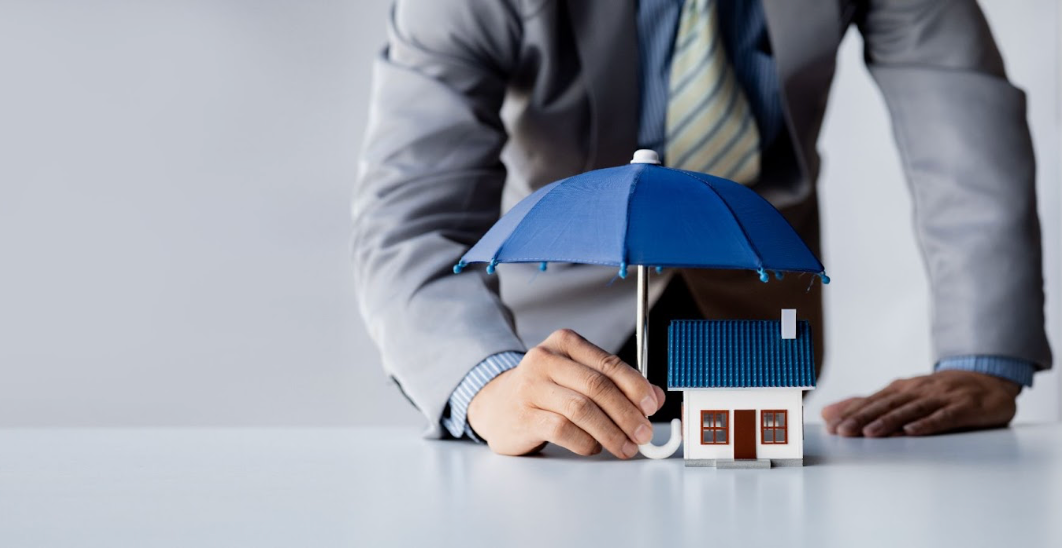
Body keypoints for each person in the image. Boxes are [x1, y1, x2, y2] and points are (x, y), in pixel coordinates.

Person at [351, 0, 1051, 458]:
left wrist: (982, 356)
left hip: (757, 303)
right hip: (552, 343)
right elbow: (413, 212)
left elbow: (963, 126)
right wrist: (485, 382)